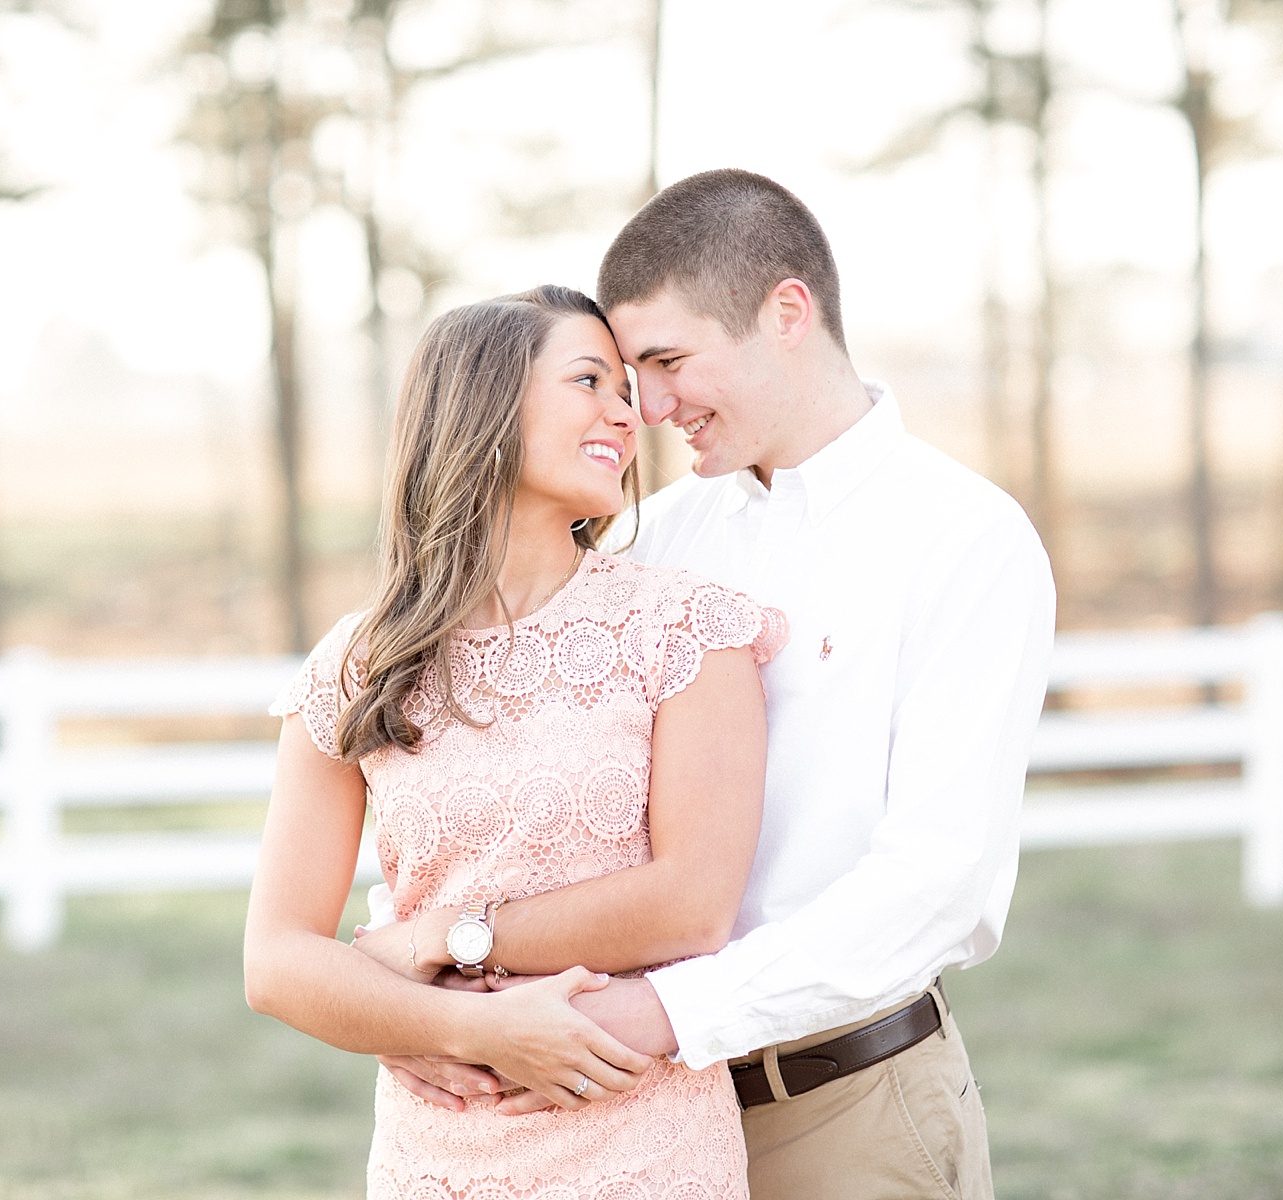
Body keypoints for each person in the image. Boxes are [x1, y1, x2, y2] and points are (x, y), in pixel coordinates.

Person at [374, 171, 1057, 1199]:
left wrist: (669, 1014)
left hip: (842, 1106)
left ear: (788, 313)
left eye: (665, 360)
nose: (646, 407)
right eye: (622, 372)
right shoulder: (661, 539)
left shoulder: (964, 540)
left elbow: (936, 887)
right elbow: (512, 777)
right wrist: (432, 1000)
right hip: (619, 1116)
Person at [243, 283, 789, 1198]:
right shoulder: (360, 662)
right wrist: (470, 1030)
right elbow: (276, 961)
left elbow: (693, 904)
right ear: (485, 403)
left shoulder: (684, 628)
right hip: (438, 1157)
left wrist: (440, 940)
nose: (628, 411)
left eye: (627, 390)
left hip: (639, 1145)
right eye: (591, 381)